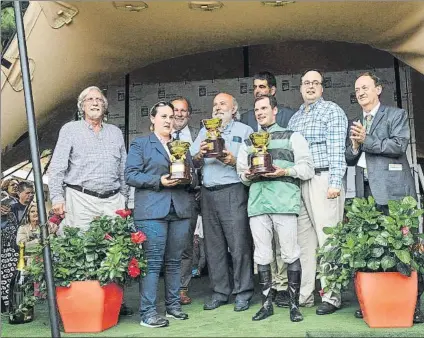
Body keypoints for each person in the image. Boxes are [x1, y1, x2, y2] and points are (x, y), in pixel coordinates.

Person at [346, 72, 423, 323]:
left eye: (365, 87)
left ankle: (415, 304)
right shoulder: (357, 122)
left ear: (378, 89)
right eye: (357, 89)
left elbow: (398, 146)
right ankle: (376, 300)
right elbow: (349, 158)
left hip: (394, 192)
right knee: (373, 248)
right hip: (367, 193)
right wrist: (356, 146)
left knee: (405, 248)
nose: (360, 92)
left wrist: (366, 140)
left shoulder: (396, 115)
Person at [48, 86, 131, 315]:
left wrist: (126, 200)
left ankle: (112, 301)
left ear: (105, 107)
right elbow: (56, 168)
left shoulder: (115, 132)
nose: (95, 103)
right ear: (81, 106)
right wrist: (57, 197)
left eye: (99, 100)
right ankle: (84, 304)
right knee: (82, 249)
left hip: (112, 199)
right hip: (80, 198)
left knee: (114, 250)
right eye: (90, 100)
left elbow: (123, 169)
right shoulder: (70, 129)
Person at [237, 94, 314, 322]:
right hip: (258, 204)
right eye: (257, 109)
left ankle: (293, 305)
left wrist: (284, 171)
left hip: (284, 202)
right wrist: (247, 175)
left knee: (290, 253)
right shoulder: (249, 142)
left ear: (275, 110)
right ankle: (266, 304)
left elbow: (307, 168)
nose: (260, 113)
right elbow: (241, 174)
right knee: (262, 255)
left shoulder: (293, 136)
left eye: (264, 108)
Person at [125, 101, 196, 328]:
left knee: (175, 261)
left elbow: (192, 174)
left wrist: (190, 178)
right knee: (153, 263)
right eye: (163, 116)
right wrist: (159, 181)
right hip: (152, 210)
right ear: (152, 120)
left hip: (180, 208)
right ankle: (148, 312)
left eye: (171, 116)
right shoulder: (140, 144)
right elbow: (131, 175)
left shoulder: (181, 146)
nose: (168, 120)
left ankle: (173, 306)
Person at [288, 69, 348, 315]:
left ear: (322, 88)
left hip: (324, 180)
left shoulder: (332, 110)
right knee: (305, 243)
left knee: (328, 241)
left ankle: (332, 296)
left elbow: (336, 150)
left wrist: (335, 182)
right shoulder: (295, 118)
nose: (310, 86)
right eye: (306, 83)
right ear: (300, 88)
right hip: (301, 182)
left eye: (315, 83)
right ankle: (305, 295)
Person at [191, 92, 254, 312]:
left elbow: (252, 162)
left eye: (223, 104)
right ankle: (220, 292)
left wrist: (233, 160)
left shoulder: (245, 131)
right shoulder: (203, 131)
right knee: (213, 246)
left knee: (239, 245)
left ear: (233, 109)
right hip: (208, 192)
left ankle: (243, 292)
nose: (218, 108)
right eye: (215, 104)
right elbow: (192, 160)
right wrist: (199, 154)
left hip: (233, 191)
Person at [240, 71, 295, 307]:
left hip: (282, 195)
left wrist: (284, 171)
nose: (258, 90)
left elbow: (298, 162)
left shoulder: (289, 121)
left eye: (262, 86)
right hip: (258, 196)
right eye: (255, 87)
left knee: (285, 248)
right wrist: (247, 174)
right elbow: (242, 169)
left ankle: (284, 287)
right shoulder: (246, 122)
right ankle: (268, 290)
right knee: (263, 249)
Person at [170, 96, 200, 305]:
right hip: (164, 195)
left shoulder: (200, 136)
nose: (179, 114)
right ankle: (167, 288)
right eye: (175, 110)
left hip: (189, 196)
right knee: (164, 245)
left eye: (183, 111)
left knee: (185, 245)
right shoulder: (159, 136)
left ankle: (182, 288)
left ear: (189, 114)